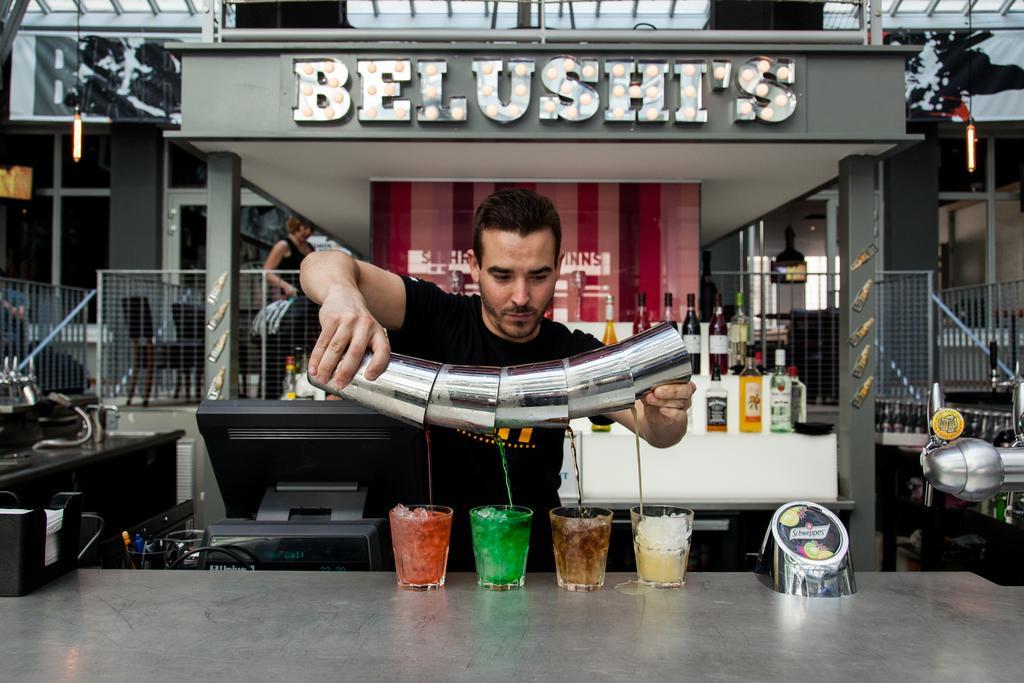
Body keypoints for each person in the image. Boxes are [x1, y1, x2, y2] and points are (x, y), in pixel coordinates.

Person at [300, 189, 696, 571]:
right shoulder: (435, 316)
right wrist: (343, 296)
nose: (521, 296)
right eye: (502, 276)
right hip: (432, 572)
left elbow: (657, 430)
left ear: (559, 266)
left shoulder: (575, 355)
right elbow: (321, 263)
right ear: (473, 265)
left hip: (536, 575)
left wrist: (667, 415)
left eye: (538, 276)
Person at [262, 217, 316, 398]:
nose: (307, 232)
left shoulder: (309, 248)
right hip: (290, 305)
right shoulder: (283, 246)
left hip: (307, 304)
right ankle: (275, 392)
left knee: (304, 347)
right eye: (304, 227)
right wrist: (286, 286)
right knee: (282, 346)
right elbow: (267, 272)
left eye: (310, 229)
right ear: (295, 226)